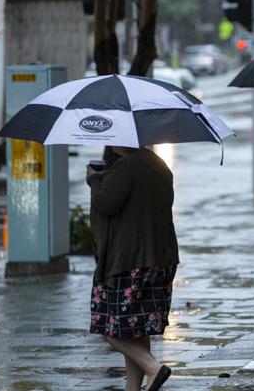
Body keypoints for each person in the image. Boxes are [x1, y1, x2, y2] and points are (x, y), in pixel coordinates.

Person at [87, 146, 178, 391]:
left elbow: (106, 202)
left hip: (129, 259)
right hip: (159, 257)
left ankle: (153, 368)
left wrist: (95, 179)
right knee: (137, 329)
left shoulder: (126, 166)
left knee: (107, 327)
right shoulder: (159, 164)